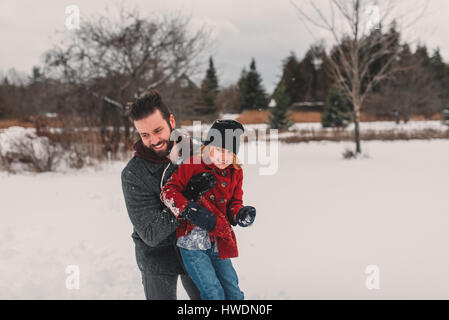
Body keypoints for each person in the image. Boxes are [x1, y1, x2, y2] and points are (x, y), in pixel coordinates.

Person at [121, 90, 215, 300]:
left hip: (198, 247)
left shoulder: (196, 151)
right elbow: (151, 233)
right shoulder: (133, 174)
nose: (153, 140)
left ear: (171, 121)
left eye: (158, 130)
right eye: (145, 135)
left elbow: (220, 193)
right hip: (158, 257)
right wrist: (186, 199)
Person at [160, 119, 257, 300]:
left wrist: (240, 214)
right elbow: (168, 192)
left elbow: (234, 202)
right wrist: (189, 209)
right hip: (192, 242)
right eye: (218, 150)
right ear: (207, 148)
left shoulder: (235, 172)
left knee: (233, 291)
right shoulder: (193, 164)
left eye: (229, 152)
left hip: (218, 238)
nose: (222, 157)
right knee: (213, 292)